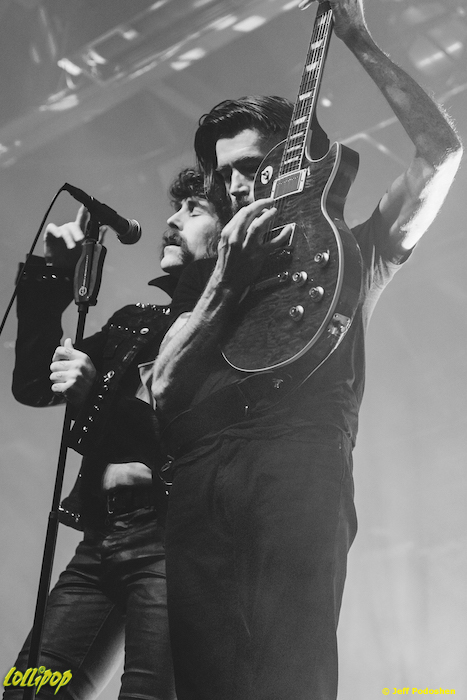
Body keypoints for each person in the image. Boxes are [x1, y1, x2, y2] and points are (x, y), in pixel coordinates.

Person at [150, 1, 463, 699]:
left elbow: (440, 154)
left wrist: (358, 39)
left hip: (298, 459)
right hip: (198, 478)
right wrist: (225, 283)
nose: (237, 185)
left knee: (292, 676)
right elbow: (163, 391)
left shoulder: (353, 252)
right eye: (224, 175)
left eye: (252, 166)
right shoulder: (210, 277)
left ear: (299, 160)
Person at [4, 168, 230, 700]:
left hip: (175, 542)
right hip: (100, 541)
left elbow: (194, 439)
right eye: (176, 209)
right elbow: (35, 384)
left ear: (232, 231)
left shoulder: (233, 329)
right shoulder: (136, 321)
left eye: (195, 210)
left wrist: (96, 397)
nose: (172, 221)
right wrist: (55, 277)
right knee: (28, 691)